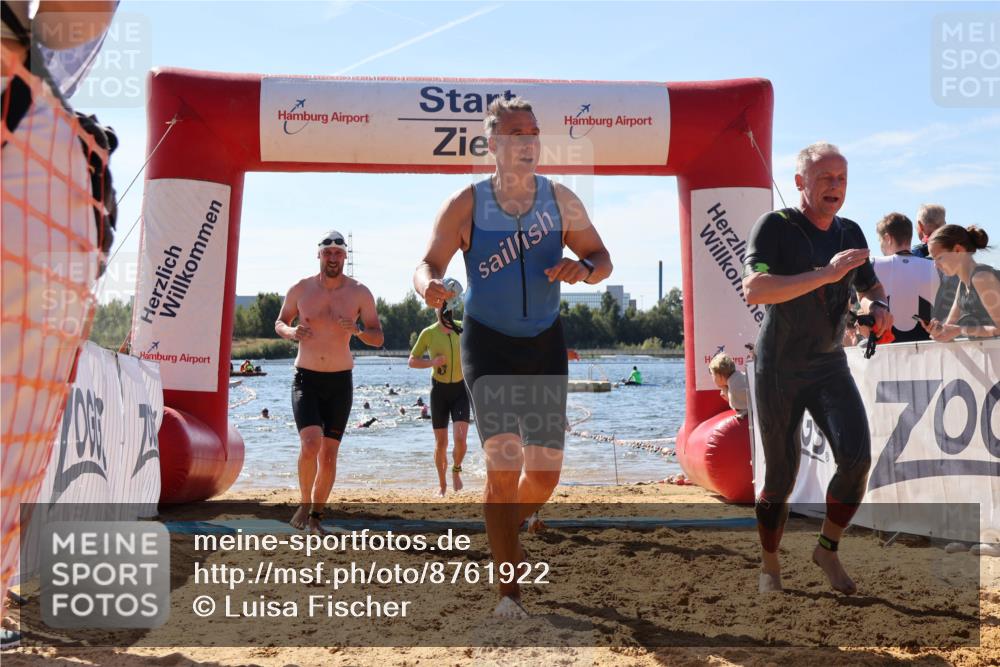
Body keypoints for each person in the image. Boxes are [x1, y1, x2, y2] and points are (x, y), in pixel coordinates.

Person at [413, 96, 612, 617]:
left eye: (533, 132)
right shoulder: (467, 203)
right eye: (515, 133)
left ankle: (500, 530)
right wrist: (430, 287)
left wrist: (583, 270)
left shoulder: (561, 199)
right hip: (489, 341)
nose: (527, 141)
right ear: (493, 144)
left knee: (543, 477)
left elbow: (602, 258)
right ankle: (509, 594)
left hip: (545, 342)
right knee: (503, 463)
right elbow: (427, 264)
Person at [743, 142, 893, 595]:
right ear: (800, 183)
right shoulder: (775, 226)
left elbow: (870, 285)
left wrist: (877, 306)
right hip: (778, 366)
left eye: (842, 178)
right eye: (825, 178)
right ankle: (770, 564)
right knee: (780, 477)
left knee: (857, 459)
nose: (835, 186)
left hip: (829, 363)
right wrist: (825, 276)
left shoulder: (849, 231)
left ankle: (826, 548)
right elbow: (755, 289)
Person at [275, 230, 383, 533]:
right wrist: (291, 332)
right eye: (327, 253)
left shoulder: (360, 293)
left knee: (329, 456)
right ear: (319, 255)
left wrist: (359, 331)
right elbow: (280, 321)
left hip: (339, 382)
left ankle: (316, 518)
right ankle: (304, 502)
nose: (333, 258)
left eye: (338, 253)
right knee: (310, 444)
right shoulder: (301, 288)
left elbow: (378, 336)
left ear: (345, 257)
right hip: (306, 379)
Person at [408, 281, 471, 497]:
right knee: (441, 443)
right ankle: (442, 484)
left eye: (447, 307)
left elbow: (481, 348)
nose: (443, 311)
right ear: (436, 308)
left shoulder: (462, 328)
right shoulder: (429, 333)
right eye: (440, 307)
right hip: (440, 392)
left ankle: (456, 470)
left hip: (461, 390)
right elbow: (412, 361)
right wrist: (432, 363)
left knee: (461, 440)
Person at [922, 224, 1000, 341]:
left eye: (939, 258)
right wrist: (938, 331)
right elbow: (948, 329)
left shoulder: (981, 278)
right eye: (934, 259)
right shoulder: (963, 283)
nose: (935, 265)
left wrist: (960, 330)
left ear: (958, 250)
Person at [871, 212, 938, 342]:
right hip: (927, 345)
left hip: (887, 348)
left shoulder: (873, 264)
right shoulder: (934, 266)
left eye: (880, 241)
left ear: (887, 238)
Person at [708, 353, 747, 418]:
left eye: (712, 374)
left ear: (719, 376)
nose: (712, 377)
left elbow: (741, 410)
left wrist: (728, 396)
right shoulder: (741, 376)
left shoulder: (734, 390)